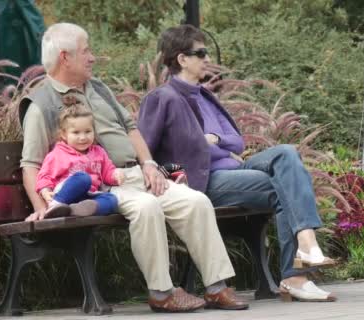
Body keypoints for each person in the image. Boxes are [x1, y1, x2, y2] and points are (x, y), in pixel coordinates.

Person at [18, 23, 248, 312]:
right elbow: (31, 164)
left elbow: (130, 128)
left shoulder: (97, 88)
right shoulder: (41, 104)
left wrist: (149, 164)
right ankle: (162, 293)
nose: (92, 57)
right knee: (147, 207)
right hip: (102, 187)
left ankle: (216, 288)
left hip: (136, 175)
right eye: (86, 51)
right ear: (65, 57)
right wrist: (42, 207)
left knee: (196, 201)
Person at [138, 24, 338, 302]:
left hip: (234, 169)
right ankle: (295, 275)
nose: (208, 58)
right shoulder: (162, 98)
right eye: (201, 52)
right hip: (205, 179)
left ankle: (306, 241)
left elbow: (238, 142)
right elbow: (143, 150)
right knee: (284, 186)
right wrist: (175, 171)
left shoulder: (206, 95)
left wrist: (215, 139)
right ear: (182, 59)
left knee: (286, 153)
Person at [31, 95, 123, 220]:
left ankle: (78, 210)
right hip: (65, 194)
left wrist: (115, 175)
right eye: (76, 132)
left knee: (112, 199)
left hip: (87, 196)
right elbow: (45, 175)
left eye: (87, 131)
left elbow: (107, 172)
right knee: (83, 178)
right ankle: (56, 206)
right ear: (64, 134)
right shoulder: (58, 154)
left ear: (93, 132)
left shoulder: (98, 152)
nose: (83, 137)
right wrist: (45, 190)